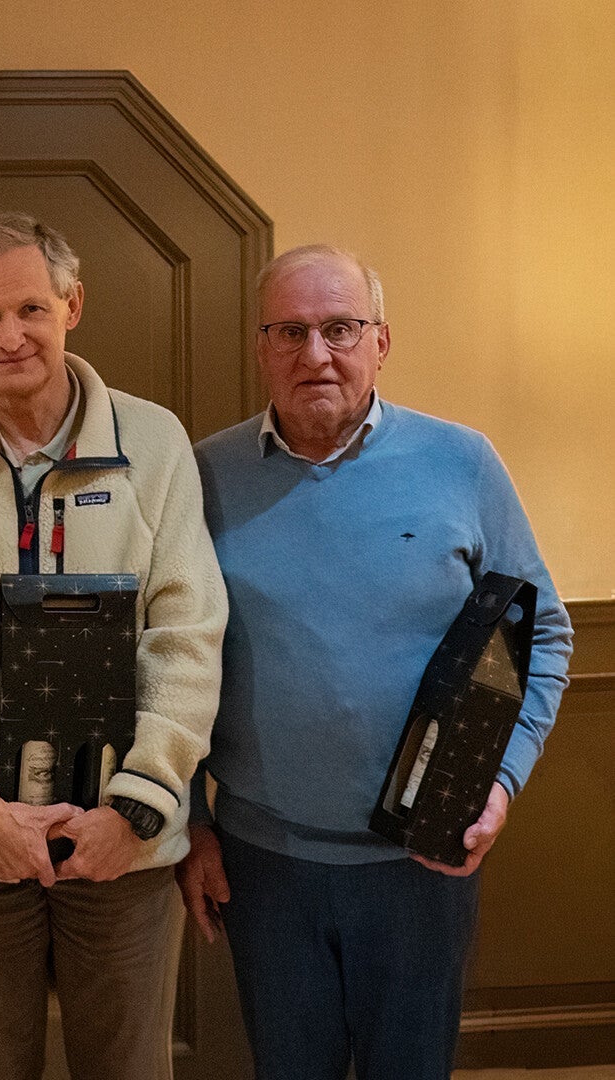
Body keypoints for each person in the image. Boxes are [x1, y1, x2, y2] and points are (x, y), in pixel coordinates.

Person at [182, 245, 574, 1080]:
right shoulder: (203, 476)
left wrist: (501, 784)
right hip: (263, 866)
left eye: (340, 328)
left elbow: (541, 635)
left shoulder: (463, 462)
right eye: (290, 331)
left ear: (381, 342)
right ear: (260, 347)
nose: (316, 354)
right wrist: (190, 822)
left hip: (421, 862)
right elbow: (169, 658)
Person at [0, 211, 227, 1080]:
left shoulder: (155, 444)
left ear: (73, 306)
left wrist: (136, 809)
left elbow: (188, 636)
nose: (11, 337)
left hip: (124, 841)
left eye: (31, 309)